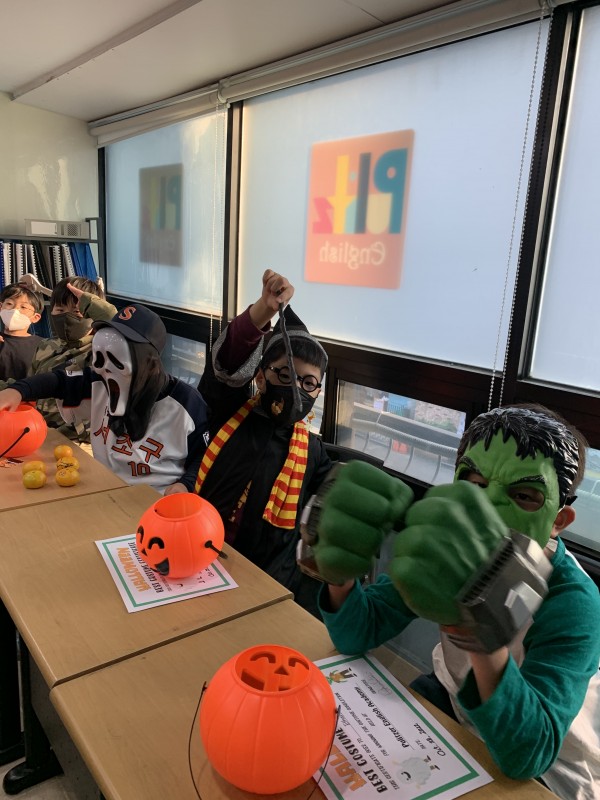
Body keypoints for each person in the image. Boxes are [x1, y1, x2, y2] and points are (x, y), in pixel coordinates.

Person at [312, 404, 600, 798]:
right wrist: (340, 570)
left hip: (550, 759)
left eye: (523, 495)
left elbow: (529, 753)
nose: (488, 508)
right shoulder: (449, 545)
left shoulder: (575, 602)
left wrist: (479, 626)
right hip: (456, 698)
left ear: (558, 521)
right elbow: (356, 633)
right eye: (474, 483)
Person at [168, 269, 332, 616]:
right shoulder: (228, 410)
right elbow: (227, 362)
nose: (296, 389)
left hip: (264, 585)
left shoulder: (314, 452)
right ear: (260, 376)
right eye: (285, 374)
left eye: (308, 383)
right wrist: (264, 309)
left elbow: (329, 505)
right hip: (199, 558)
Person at [0, 303, 209, 494]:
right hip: (105, 488)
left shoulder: (186, 402)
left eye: (117, 361)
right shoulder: (98, 382)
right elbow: (58, 381)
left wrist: (186, 484)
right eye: (100, 360)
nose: (105, 370)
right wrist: (18, 390)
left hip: (157, 498)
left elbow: (205, 455)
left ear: (147, 362)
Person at [0, 276, 117, 443]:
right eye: (60, 310)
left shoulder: (103, 349)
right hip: (41, 433)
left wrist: (94, 303)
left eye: (76, 312)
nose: (66, 317)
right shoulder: (45, 346)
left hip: (83, 442)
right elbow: (30, 385)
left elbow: (123, 330)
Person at [0, 282, 44, 380]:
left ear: (35, 317)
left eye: (23, 307)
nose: (15, 310)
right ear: (1, 307)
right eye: (9, 304)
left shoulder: (43, 346)